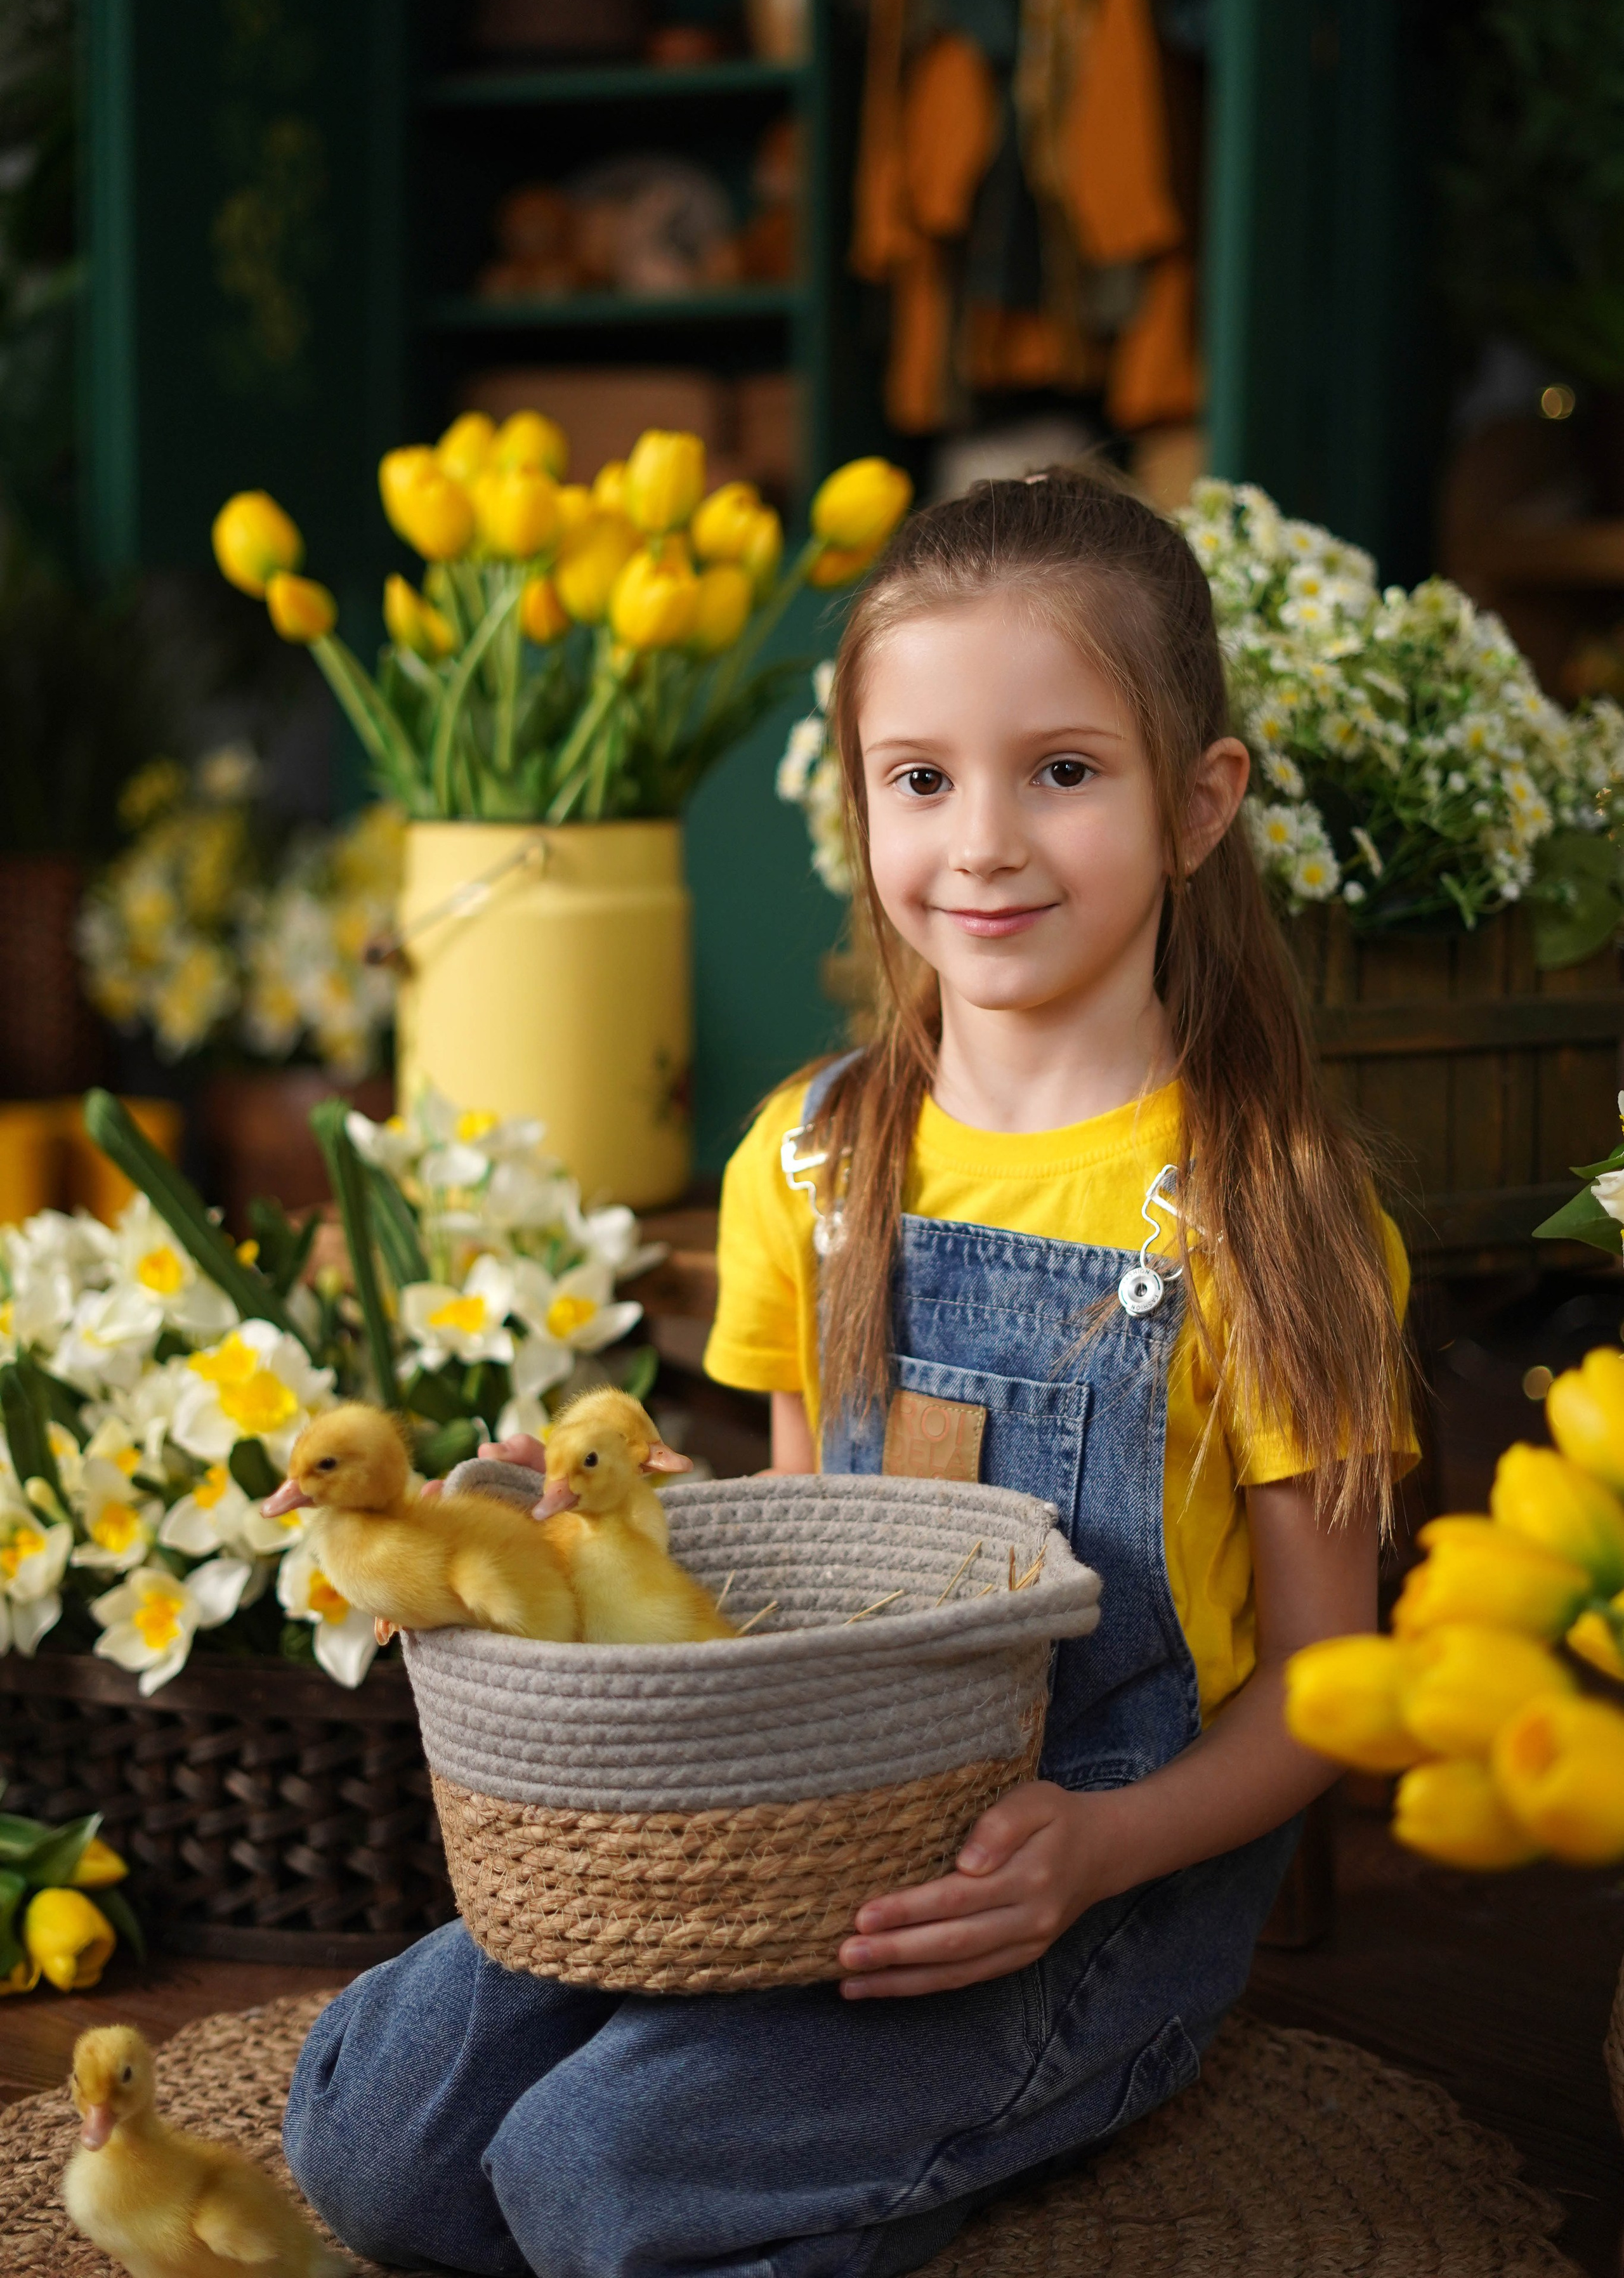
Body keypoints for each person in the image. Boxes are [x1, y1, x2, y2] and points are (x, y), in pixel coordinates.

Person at [282, 466, 1413, 2278]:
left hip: (1100, 1877)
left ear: (1201, 804)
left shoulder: (1269, 1208)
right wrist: (573, 1525)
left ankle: (849, 2134)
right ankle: (780, 2124)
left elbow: (1337, 1693)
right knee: (372, 2136)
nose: (982, 841)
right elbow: (802, 1568)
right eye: (923, 777)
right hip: (802, 1820)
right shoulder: (809, 1159)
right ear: (863, 808)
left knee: (598, 2173)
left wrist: (1098, 1855)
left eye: (1064, 769)